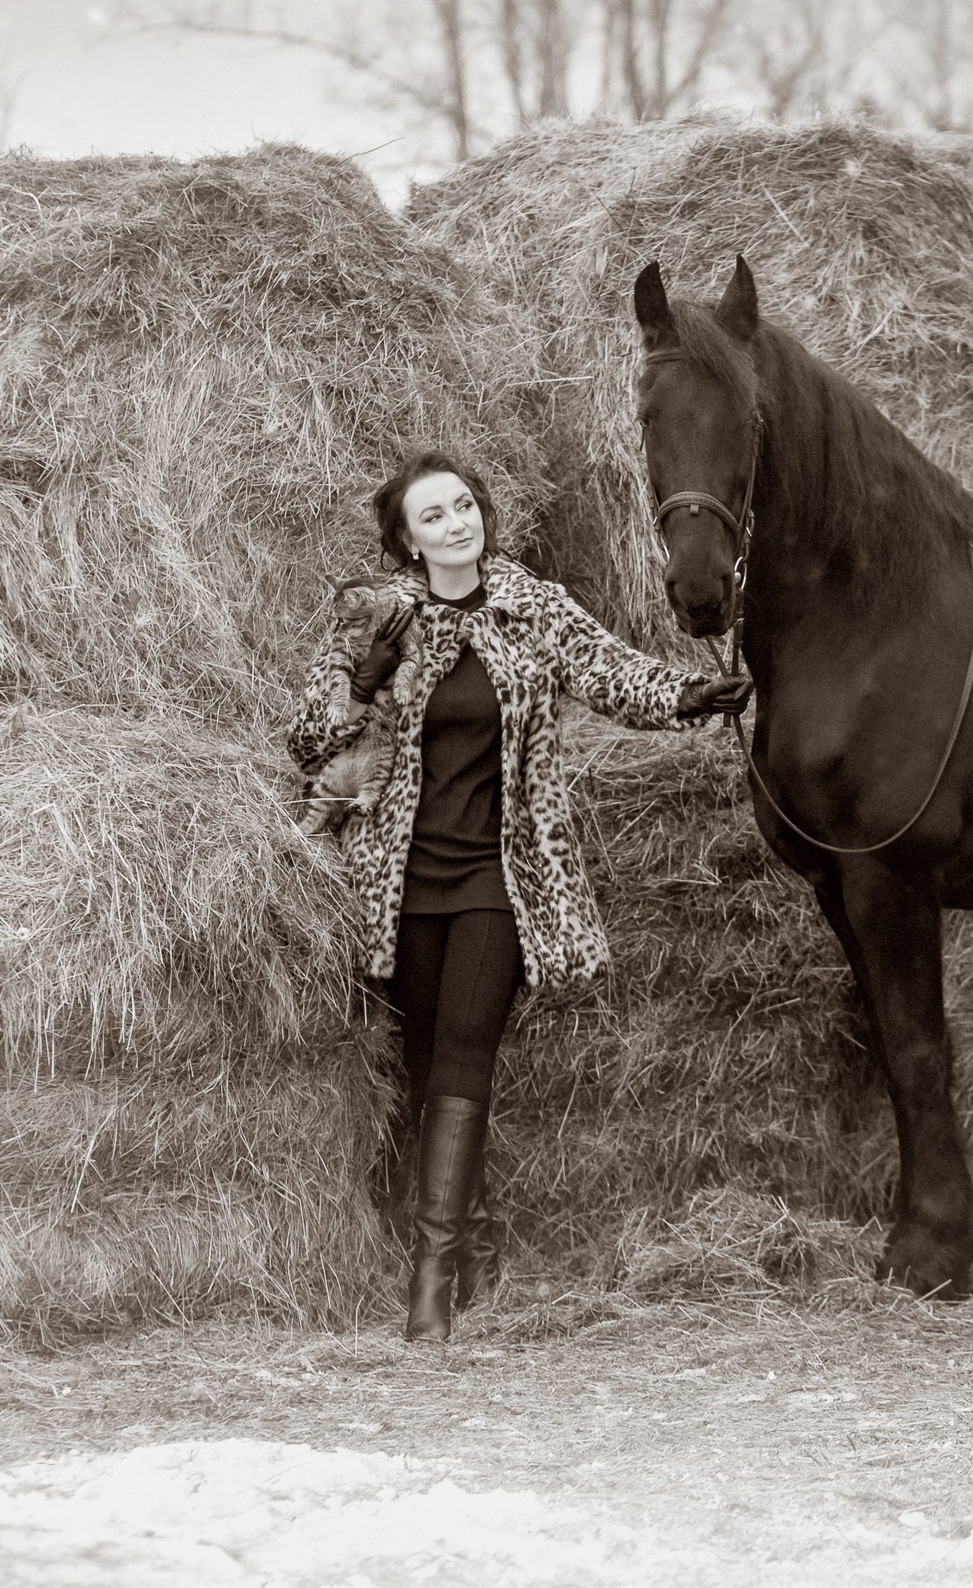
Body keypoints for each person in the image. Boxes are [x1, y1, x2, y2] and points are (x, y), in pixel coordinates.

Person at [286, 450, 751, 1343]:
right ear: (405, 542)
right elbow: (309, 744)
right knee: (425, 1062)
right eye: (434, 517)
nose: (458, 523)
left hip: (500, 874)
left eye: (465, 506)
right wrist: (365, 680)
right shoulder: (373, 622)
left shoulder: (532, 606)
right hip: (399, 881)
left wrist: (690, 695)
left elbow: (613, 672)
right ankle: (474, 1250)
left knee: (465, 1049)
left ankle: (429, 1287)